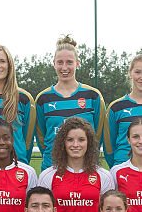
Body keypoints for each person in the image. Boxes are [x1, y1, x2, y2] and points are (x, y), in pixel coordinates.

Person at [38, 116, 115, 212]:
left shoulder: (104, 176)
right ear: (63, 143)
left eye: (81, 140)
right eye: (70, 140)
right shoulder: (48, 175)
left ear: (89, 142)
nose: (75, 145)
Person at [34, 35, 105, 168]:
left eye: (69, 62)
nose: (64, 67)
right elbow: (42, 139)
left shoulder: (93, 96)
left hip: (85, 167)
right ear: (53, 63)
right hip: (53, 167)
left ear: (77, 63)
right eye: (60, 62)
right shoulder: (43, 99)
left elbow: (97, 136)